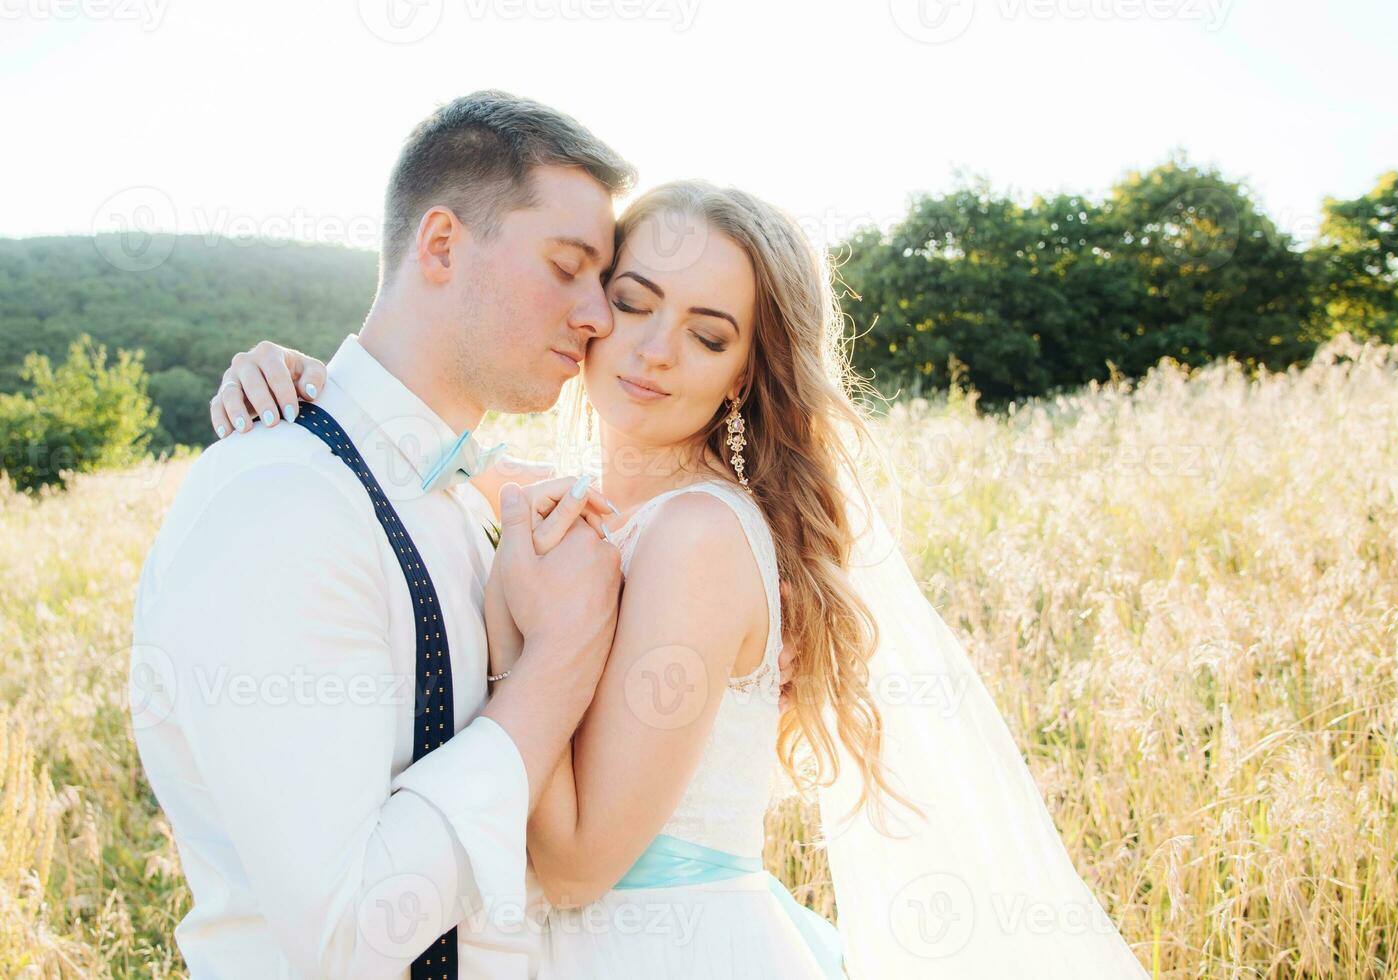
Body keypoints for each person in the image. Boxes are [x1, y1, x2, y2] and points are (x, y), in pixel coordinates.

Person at [213, 178, 1149, 977]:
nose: (654, 350)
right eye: (633, 301)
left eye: (707, 335)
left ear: (745, 373)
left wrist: (518, 628)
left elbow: (578, 867)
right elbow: (427, 446)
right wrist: (307, 385)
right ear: (587, 306)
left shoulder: (697, 537)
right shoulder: (580, 504)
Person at [131, 90, 636, 979]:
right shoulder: (283, 498)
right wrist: (554, 670)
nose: (598, 317)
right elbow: (344, 937)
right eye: (567, 267)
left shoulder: (466, 495)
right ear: (441, 245)